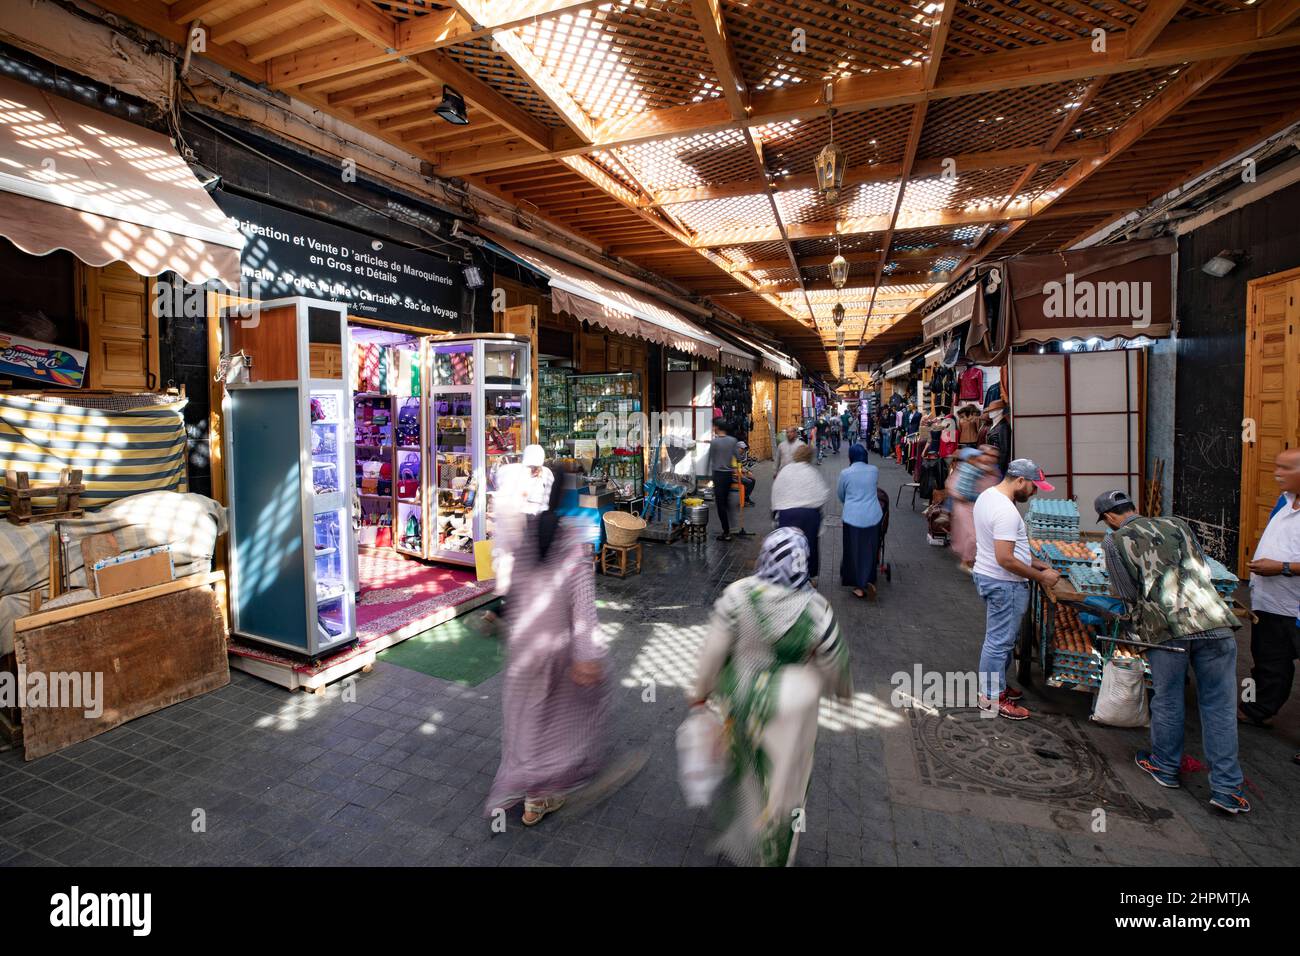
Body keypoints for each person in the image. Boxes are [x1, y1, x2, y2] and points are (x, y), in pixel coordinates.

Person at [689, 527, 853, 866]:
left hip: (741, 702)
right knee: (785, 789)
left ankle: (745, 840)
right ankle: (774, 854)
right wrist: (842, 694)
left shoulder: (738, 595)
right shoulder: (816, 609)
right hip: (790, 714)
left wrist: (701, 692)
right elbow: (836, 662)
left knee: (747, 775)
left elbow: (714, 650)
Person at [1096, 490, 1250, 814]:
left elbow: (1127, 594)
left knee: (1167, 698)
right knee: (1219, 707)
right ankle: (1226, 791)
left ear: (1109, 518)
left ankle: (1165, 767)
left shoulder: (1115, 541)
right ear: (1133, 508)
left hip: (1166, 631)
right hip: (1214, 622)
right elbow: (1202, 570)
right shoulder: (1178, 524)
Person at [485, 466, 610, 826]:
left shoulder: (524, 535)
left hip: (523, 648)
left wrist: (499, 615)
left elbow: (514, 589)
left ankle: (525, 785)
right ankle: (539, 796)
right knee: (559, 721)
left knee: (525, 721)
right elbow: (583, 604)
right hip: (557, 648)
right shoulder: (573, 540)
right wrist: (588, 655)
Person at [972, 459, 1060, 719]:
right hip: (1004, 582)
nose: (1034, 493)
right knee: (998, 643)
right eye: (1034, 487)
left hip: (991, 576)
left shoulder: (988, 496)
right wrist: (1040, 577)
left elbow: (1002, 547)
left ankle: (996, 685)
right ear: (1020, 481)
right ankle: (991, 697)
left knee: (1001, 641)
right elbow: (1006, 558)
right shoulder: (1006, 511)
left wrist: (1034, 562)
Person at [1239, 448, 1300, 746]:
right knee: (1269, 662)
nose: (1276, 472)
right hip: (1270, 602)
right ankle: (1258, 710)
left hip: (1296, 606)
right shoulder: (1284, 501)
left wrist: (1283, 567)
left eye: (1284, 468)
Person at [770, 444, 829, 585]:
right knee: (811, 545)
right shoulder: (812, 472)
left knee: (787, 544)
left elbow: (776, 491)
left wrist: (774, 512)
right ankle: (811, 576)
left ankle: (787, 573)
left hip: (787, 513)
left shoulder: (785, 471)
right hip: (809, 515)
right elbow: (822, 494)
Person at [838, 443, 884, 600]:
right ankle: (868, 579)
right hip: (873, 515)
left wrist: (850, 502)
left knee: (853, 550)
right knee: (870, 549)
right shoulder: (874, 470)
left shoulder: (845, 473)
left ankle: (859, 584)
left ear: (850, 456)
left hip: (853, 517)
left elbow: (841, 494)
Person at [947, 445, 998, 572]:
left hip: (982, 507)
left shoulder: (994, 472)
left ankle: (974, 560)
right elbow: (952, 485)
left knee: (980, 535)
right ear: (982, 454)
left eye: (995, 456)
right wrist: (960, 497)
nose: (992, 459)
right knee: (973, 535)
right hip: (965, 505)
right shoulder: (969, 467)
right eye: (989, 455)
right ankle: (967, 561)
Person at [709, 417, 741, 541]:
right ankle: (732, 525)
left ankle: (726, 532)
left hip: (718, 475)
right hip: (728, 475)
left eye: (714, 426)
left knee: (720, 504)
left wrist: (709, 476)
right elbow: (738, 457)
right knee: (726, 502)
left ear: (717, 427)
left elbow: (710, 460)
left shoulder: (714, 442)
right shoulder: (733, 441)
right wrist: (736, 468)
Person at [983, 399, 1011, 475]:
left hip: (998, 466)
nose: (989, 413)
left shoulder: (1003, 427)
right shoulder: (993, 426)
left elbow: (1004, 450)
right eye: (989, 410)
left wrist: (999, 469)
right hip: (991, 463)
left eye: (992, 410)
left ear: (1000, 411)